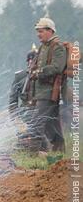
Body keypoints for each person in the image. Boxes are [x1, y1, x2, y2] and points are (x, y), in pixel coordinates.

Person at [27, 17, 68, 152]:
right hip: (42, 93)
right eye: (37, 31)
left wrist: (39, 72)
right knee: (51, 125)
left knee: (36, 123)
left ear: (50, 31)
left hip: (50, 92)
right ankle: (59, 153)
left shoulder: (57, 47)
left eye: (41, 31)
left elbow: (57, 67)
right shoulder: (43, 47)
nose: (38, 34)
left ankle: (32, 154)